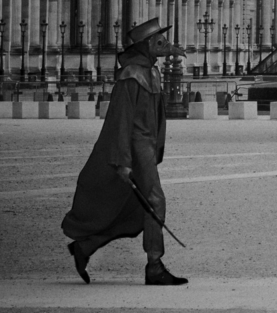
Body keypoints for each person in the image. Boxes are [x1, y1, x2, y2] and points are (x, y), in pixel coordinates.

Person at [61, 17, 187, 286]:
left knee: (136, 209)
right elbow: (120, 122)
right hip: (135, 147)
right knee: (155, 202)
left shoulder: (151, 72)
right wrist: (122, 161)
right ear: (146, 46)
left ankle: (85, 247)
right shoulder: (131, 77)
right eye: (159, 42)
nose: (164, 46)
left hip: (146, 147)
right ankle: (154, 265)